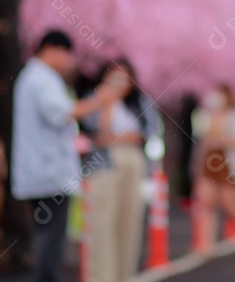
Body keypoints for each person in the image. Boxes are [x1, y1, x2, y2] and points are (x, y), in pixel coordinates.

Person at [11, 30, 126, 282]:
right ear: (51, 49)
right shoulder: (40, 78)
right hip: (48, 173)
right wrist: (101, 99)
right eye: (66, 54)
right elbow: (63, 112)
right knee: (49, 241)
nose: (69, 61)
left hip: (43, 171)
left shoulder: (35, 77)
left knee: (46, 237)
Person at [81, 58, 152, 282]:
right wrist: (107, 102)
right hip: (104, 165)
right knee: (102, 225)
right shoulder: (94, 100)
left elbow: (144, 134)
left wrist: (117, 137)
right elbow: (99, 134)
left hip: (133, 163)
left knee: (129, 223)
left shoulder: (139, 104)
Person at [193, 83, 235, 250]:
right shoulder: (207, 115)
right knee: (207, 202)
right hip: (209, 162)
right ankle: (206, 244)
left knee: (230, 204)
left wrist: (221, 138)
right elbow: (201, 137)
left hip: (228, 165)